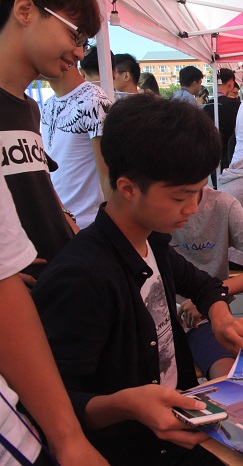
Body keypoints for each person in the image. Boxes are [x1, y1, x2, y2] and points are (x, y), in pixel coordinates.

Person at [33, 94, 243, 465]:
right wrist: (126, 404)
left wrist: (220, 315)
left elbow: (203, 284)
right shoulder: (83, 278)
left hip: (187, 424)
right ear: (128, 188)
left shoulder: (151, 242)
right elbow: (51, 405)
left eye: (199, 191)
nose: (193, 208)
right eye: (181, 196)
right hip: (138, 449)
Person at [0, 2, 107, 463]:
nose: (79, 52)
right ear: (26, 10)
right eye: (75, 34)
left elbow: (36, 188)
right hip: (15, 324)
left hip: (56, 301)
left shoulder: (27, 108)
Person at [170, 185, 243, 379]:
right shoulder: (146, 228)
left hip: (203, 319)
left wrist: (212, 301)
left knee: (233, 377)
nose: (191, 208)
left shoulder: (221, 204)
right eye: (179, 196)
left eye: (195, 192)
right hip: (168, 322)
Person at [41, 65, 112, 229]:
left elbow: (108, 175)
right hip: (60, 223)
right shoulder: (48, 104)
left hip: (88, 227)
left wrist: (111, 232)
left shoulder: (95, 100)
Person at [203, 68, 240, 173]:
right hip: (230, 156)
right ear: (230, 83)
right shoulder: (235, 105)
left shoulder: (207, 106)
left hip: (212, 158)